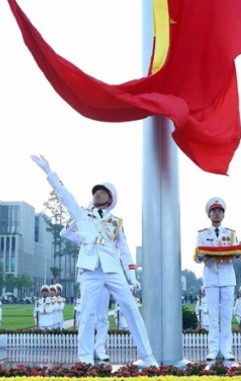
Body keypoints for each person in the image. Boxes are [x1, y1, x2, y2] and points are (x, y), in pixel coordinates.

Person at [31, 154, 158, 367]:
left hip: (112, 269)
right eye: (95, 191)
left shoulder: (116, 222)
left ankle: (147, 356)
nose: (97, 194)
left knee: (131, 308)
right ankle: (85, 359)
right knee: (88, 313)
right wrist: (48, 172)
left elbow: (125, 252)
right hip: (90, 270)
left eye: (102, 192)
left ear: (110, 199)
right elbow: (65, 195)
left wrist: (132, 277)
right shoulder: (82, 215)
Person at [194, 197, 241, 361]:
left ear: (223, 215)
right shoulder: (202, 234)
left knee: (226, 315)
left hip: (227, 276)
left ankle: (227, 349)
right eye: (214, 211)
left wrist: (238, 252)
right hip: (211, 276)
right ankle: (213, 349)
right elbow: (198, 257)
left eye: (219, 211)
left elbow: (238, 257)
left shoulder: (230, 234)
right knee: (213, 315)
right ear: (209, 215)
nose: (217, 214)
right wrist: (202, 254)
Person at [62, 221, 111, 362]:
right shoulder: (84, 235)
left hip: (106, 275)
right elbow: (64, 233)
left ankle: (100, 349)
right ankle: (86, 354)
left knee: (103, 317)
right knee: (86, 315)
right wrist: (77, 219)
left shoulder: (109, 232)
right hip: (89, 276)